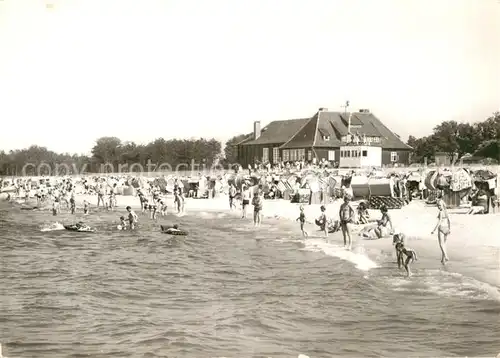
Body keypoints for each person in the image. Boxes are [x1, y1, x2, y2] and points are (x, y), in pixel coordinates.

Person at [432, 199, 450, 264]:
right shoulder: (446, 211)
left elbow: (439, 222)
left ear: (442, 205)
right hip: (446, 228)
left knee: (441, 244)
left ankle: (446, 256)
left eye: (439, 205)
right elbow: (449, 220)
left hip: (441, 228)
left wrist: (434, 230)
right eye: (438, 205)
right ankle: (443, 260)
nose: (438, 207)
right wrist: (449, 229)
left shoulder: (441, 212)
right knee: (444, 244)